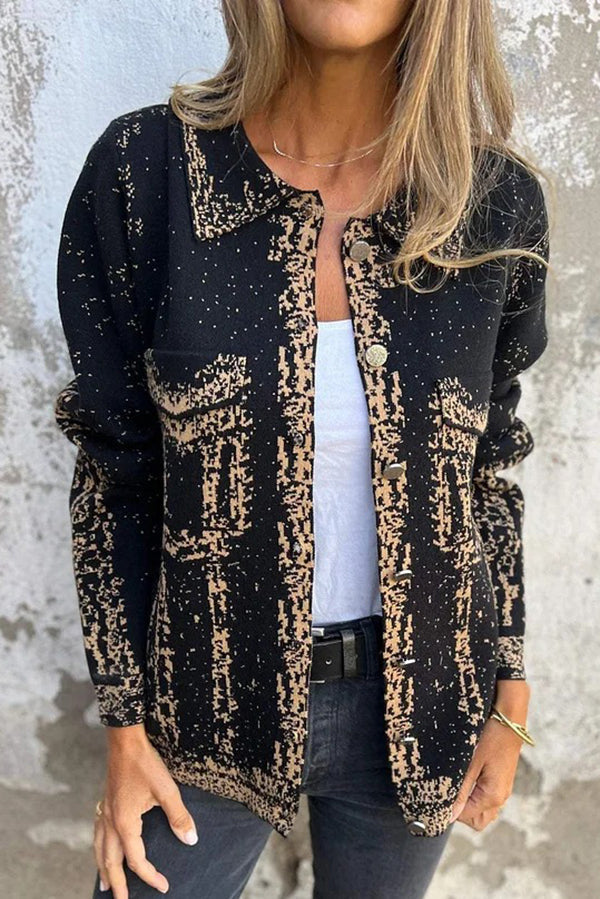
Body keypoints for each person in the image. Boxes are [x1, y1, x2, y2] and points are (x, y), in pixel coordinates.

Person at [53, 1, 551, 897]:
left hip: (421, 711)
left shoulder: (493, 203)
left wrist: (508, 687)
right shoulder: (146, 172)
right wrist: (123, 726)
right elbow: (114, 474)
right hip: (202, 710)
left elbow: (485, 475)